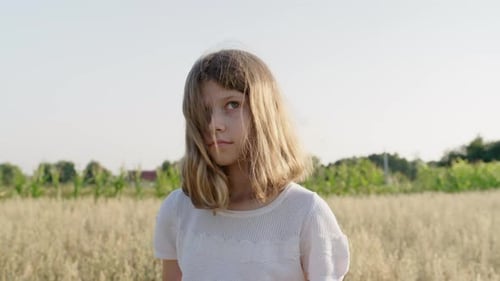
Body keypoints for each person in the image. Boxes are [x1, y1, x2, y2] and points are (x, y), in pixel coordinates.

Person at [154, 49, 350, 281]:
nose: (214, 124)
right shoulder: (179, 209)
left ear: (265, 112)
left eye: (232, 104)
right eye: (204, 110)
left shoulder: (306, 213)